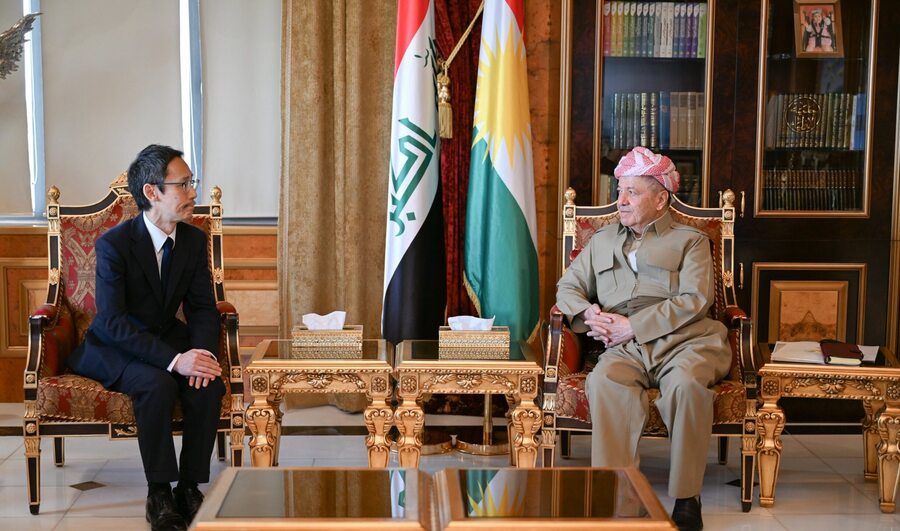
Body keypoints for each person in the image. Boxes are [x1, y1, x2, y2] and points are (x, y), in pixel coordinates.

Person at [555, 146, 731, 531]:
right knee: (605, 381)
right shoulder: (601, 240)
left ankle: (687, 498)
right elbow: (567, 287)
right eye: (619, 190)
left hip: (686, 341)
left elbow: (696, 300)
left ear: (660, 199)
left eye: (631, 192)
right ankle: (618, 491)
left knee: (686, 386)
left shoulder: (691, 241)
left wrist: (634, 325)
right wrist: (589, 314)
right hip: (624, 348)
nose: (620, 200)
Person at [68, 144, 225, 531]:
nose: (193, 192)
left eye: (192, 183)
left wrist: (201, 353)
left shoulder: (192, 240)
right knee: (156, 384)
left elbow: (203, 308)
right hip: (114, 344)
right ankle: (159, 494)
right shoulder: (114, 245)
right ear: (152, 192)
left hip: (164, 335)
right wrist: (175, 360)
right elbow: (112, 321)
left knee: (207, 383)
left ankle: (188, 488)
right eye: (183, 185)